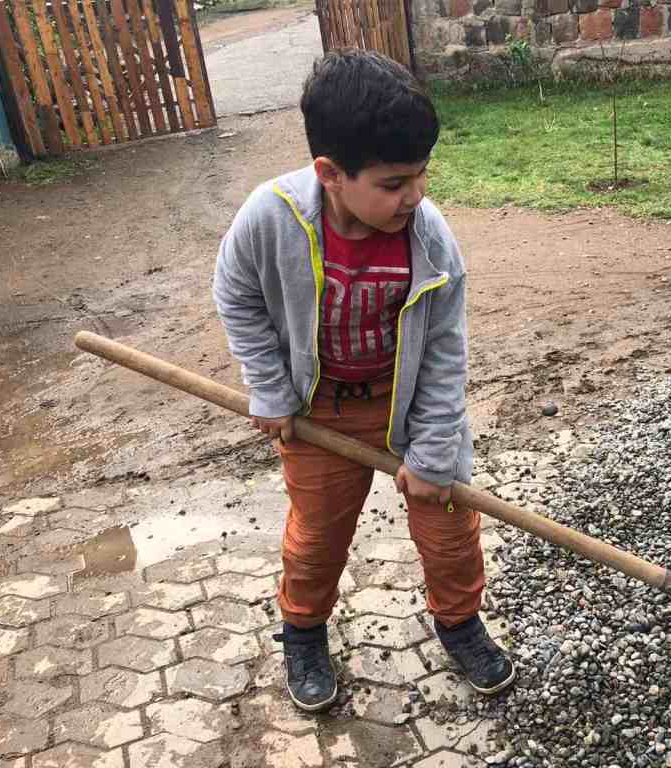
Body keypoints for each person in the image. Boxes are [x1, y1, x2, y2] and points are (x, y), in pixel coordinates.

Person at [212, 50, 515, 712]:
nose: (417, 194)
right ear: (330, 173)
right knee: (317, 537)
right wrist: (270, 388)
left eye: (423, 173)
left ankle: (459, 623)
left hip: (406, 405)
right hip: (317, 411)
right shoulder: (270, 218)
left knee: (450, 527)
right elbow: (236, 294)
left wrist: (432, 450)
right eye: (395, 182)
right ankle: (302, 632)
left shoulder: (428, 238)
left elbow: (444, 349)